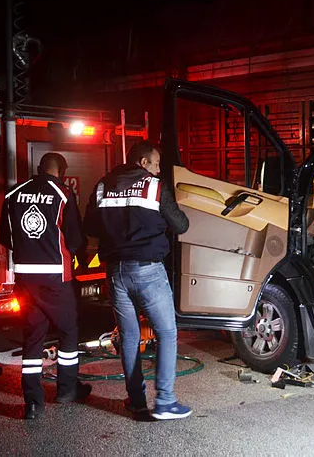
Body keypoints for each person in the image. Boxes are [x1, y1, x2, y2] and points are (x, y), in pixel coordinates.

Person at [83, 140, 191, 420]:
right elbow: (180, 225)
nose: (157, 170)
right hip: (148, 270)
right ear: (143, 162)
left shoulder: (103, 184)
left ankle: (137, 400)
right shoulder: (154, 187)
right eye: (155, 164)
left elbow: (90, 226)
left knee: (130, 337)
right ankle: (165, 402)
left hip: (116, 272)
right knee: (166, 333)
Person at [0, 152, 91, 420]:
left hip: (25, 278)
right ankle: (66, 389)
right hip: (55, 278)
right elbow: (74, 237)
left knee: (33, 336)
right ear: (62, 171)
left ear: (38, 168)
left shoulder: (13, 194)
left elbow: (6, 236)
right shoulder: (62, 194)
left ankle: (33, 402)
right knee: (68, 330)